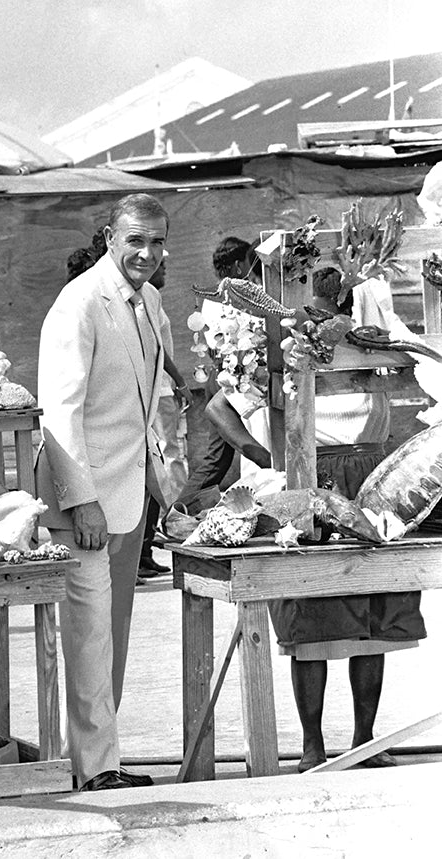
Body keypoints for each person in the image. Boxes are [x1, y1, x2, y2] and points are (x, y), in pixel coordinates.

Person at [205, 267, 426, 772]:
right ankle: (312, 746)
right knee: (312, 614)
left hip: (375, 480)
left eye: (339, 302)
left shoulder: (375, 349)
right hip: (311, 481)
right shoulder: (287, 347)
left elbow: (418, 382)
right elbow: (220, 404)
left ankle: (366, 740)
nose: (331, 309)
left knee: (376, 608)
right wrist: (264, 455)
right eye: (321, 302)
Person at [36, 193, 173, 791]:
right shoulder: (79, 303)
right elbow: (59, 413)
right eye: (136, 240)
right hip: (84, 501)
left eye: (157, 242)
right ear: (109, 237)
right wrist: (80, 499)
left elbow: (152, 402)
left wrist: (168, 476)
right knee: (89, 633)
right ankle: (94, 769)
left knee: (112, 630)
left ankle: (103, 759)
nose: (147, 252)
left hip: (130, 493)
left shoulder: (151, 303)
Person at [175, 236, 260, 513]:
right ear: (238, 266)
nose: (251, 273)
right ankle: (180, 509)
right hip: (230, 380)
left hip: (221, 376)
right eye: (248, 265)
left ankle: (181, 509)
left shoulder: (212, 298)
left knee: (218, 458)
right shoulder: (237, 298)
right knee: (217, 459)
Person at [138, 252, 190, 578]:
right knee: (159, 469)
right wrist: (181, 381)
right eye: (162, 266)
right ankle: (144, 546)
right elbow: (158, 351)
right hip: (157, 393)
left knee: (159, 471)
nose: (165, 271)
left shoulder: (151, 299)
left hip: (161, 392)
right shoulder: (143, 302)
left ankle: (144, 549)